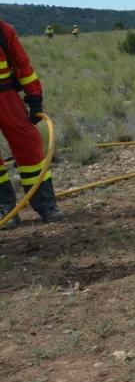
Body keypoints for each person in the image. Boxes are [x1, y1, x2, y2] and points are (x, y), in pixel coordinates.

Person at [0, 20, 66, 227]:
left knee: (29, 146)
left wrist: (35, 99)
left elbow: (23, 66)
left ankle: (46, 205)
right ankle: (5, 208)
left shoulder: (4, 30)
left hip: (7, 96)